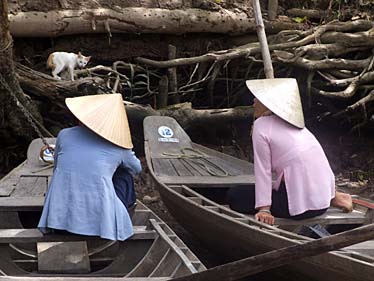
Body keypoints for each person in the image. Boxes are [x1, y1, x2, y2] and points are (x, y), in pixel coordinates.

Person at [228, 78, 352, 225]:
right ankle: (336, 197)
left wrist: (264, 208)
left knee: (235, 194)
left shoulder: (261, 125)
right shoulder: (298, 126)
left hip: (300, 207)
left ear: (269, 103)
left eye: (258, 98)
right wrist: (331, 194)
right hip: (323, 201)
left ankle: (333, 197)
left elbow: (263, 170)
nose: (254, 101)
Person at [38, 94, 142, 240]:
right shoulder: (119, 146)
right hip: (99, 227)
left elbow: (56, 166)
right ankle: (114, 220)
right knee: (125, 175)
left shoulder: (64, 135)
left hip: (57, 221)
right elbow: (137, 168)